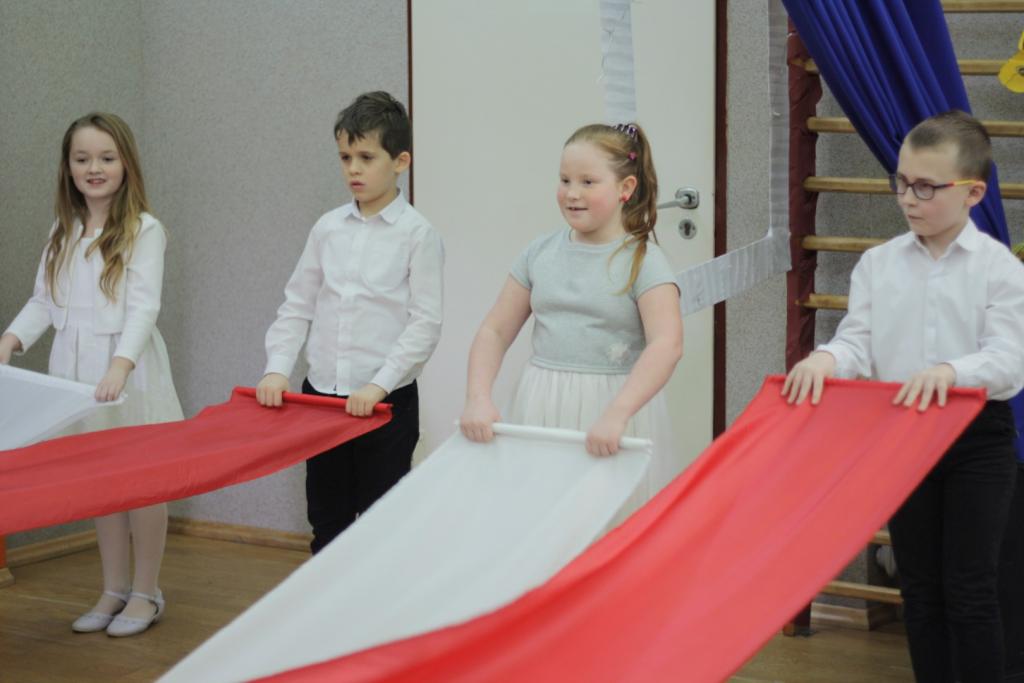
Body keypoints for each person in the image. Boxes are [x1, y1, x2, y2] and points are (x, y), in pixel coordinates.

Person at [783, 110, 1024, 682]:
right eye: (901, 182)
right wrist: (826, 358)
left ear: (973, 192)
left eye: (926, 187)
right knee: (919, 587)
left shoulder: (999, 269)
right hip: (903, 438)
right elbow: (858, 341)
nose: (909, 199)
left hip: (976, 440)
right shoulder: (878, 264)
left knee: (971, 587)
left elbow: (1009, 361)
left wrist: (951, 372)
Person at [0, 112, 183, 637]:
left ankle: (146, 592)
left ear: (125, 164)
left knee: (142, 482)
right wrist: (10, 340)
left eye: (106, 158)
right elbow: (43, 300)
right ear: (68, 167)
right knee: (102, 482)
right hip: (77, 373)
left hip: (127, 371)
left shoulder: (144, 230)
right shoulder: (63, 230)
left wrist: (121, 365)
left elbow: (144, 307)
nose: (94, 168)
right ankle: (113, 589)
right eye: (82, 159)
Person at [256, 91, 444, 554]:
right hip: (321, 399)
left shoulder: (418, 235)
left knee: (381, 524)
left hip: (385, 404)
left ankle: (377, 601)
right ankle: (326, 598)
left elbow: (424, 324)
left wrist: (378, 385)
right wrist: (277, 369)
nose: (353, 169)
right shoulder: (327, 228)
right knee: (327, 518)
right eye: (345, 157)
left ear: (400, 162)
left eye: (366, 157)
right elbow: (297, 305)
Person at [460, 122, 684, 504]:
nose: (572, 193)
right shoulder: (539, 253)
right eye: (565, 180)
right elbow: (494, 331)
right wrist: (477, 397)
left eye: (588, 182)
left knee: (609, 516)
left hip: (614, 410)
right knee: (542, 512)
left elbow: (667, 344)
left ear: (625, 188)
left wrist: (618, 413)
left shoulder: (645, 262)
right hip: (541, 405)